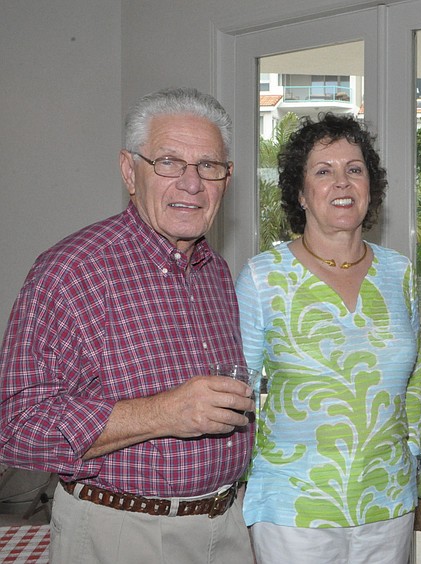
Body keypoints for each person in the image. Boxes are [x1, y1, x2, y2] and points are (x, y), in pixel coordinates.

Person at [0, 87, 255, 563]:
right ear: (128, 171)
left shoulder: (217, 272)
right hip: (122, 535)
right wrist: (164, 413)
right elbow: (16, 426)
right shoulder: (71, 270)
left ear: (227, 177)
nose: (192, 183)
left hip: (226, 528)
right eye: (169, 162)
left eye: (208, 166)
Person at [236, 112, 421, 564]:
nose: (342, 183)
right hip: (292, 509)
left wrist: (411, 450)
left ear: (370, 187)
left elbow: (413, 379)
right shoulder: (263, 277)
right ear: (300, 194)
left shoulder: (398, 272)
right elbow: (237, 391)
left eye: (354, 170)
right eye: (324, 171)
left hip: (388, 501)